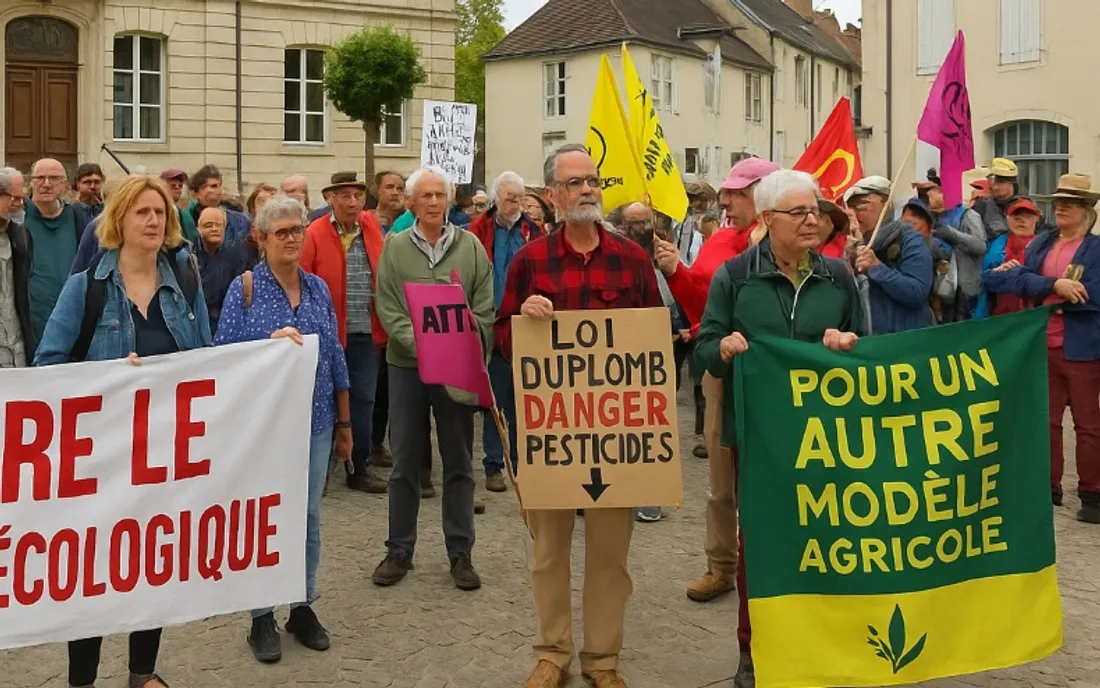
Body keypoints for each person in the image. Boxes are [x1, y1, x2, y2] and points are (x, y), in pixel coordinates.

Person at [494, 144, 662, 688]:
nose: (588, 189)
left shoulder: (632, 260)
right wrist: (523, 316)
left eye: (593, 180)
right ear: (553, 195)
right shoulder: (530, 262)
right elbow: (501, 338)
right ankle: (552, 652)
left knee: (611, 556)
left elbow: (655, 344)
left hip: (616, 438)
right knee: (548, 553)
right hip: (553, 438)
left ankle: (603, 659)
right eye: (575, 183)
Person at [34, 174, 212, 688]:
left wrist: (272, 347)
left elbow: (208, 360)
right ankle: (82, 680)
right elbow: (50, 364)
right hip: (100, 461)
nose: (154, 220)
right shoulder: (85, 287)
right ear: (119, 221)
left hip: (162, 458)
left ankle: (142, 673)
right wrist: (108, 378)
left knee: (150, 567)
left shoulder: (186, 283)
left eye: (161, 212)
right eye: (142, 212)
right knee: (94, 575)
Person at [693, 169, 865, 688]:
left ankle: (824, 643)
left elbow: (866, 346)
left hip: (826, 436)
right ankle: (753, 650)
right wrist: (722, 350)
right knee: (762, 544)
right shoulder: (736, 276)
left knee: (828, 540)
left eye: (815, 210)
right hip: (761, 436)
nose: (813, 219)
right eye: (799, 212)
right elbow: (703, 346)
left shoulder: (839, 278)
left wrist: (846, 343)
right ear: (767, 221)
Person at [213, 195, 352, 661]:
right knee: (264, 518)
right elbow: (223, 358)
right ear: (261, 239)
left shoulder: (316, 288)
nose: (293, 238)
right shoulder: (245, 289)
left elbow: (334, 355)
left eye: (298, 230)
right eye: (283, 232)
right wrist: (266, 346)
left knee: (307, 517)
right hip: (265, 428)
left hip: (315, 421)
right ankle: (260, 616)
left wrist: (345, 421)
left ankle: (302, 604)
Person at [652, 156, 781, 605]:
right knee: (721, 479)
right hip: (725, 372)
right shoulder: (722, 238)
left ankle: (778, 567)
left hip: (778, 378)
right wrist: (676, 273)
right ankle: (721, 566)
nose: (726, 200)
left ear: (765, 195)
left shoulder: (793, 240)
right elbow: (704, 303)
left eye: (738, 193)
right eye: (727, 192)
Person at [371, 166, 493, 591]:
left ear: (449, 198)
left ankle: (461, 552)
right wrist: (423, 345)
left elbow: (484, 305)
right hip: (407, 368)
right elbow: (387, 305)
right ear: (411, 203)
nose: (435, 203)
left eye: (440, 195)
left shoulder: (471, 247)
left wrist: (460, 343)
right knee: (404, 461)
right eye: (426, 196)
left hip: (457, 368)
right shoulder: (395, 248)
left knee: (459, 460)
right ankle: (399, 550)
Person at [982, 173, 1100, 524]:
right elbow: (1005, 280)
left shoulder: (1096, 250)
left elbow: (1091, 296)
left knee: (1088, 424)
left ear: (1086, 210)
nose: (1061, 207)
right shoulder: (1041, 244)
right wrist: (1055, 286)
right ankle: (1046, 488)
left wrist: (1043, 291)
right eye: (1058, 201)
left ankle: (1092, 493)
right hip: (1042, 343)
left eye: (1071, 202)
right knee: (1044, 422)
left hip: (1082, 346)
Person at [300, 171, 388, 494]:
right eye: (346, 196)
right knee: (323, 399)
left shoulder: (371, 229)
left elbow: (384, 270)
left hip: (366, 332)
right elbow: (305, 281)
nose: (353, 202)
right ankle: (322, 469)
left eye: (358, 196)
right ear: (330, 199)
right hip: (327, 334)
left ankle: (359, 467)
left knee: (364, 400)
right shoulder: (314, 232)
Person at [468, 171, 544, 493]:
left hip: (526, 323)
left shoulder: (534, 231)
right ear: (497, 198)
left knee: (525, 398)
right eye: (510, 197)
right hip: (491, 323)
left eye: (519, 197)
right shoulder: (478, 230)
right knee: (495, 399)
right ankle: (494, 464)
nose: (516, 203)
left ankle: (522, 460)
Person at [620, 201, 689, 524]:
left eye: (646, 221)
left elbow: (680, 295)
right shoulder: (615, 256)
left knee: (653, 422)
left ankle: (650, 494)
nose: (641, 229)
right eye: (634, 223)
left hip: (661, 349)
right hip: (620, 352)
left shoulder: (665, 253)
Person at [847, 175, 936, 334]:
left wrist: (876, 268)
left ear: (886, 205)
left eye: (862, 205)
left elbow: (916, 292)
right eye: (850, 207)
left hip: (903, 340)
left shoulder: (908, 238)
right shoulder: (850, 244)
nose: (855, 213)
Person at [24, 158, 86, 343]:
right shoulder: (18, 218)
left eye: (54, 178)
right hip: (29, 320)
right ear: (31, 182)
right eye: (40, 178)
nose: (46, 184)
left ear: (66, 185)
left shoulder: (77, 218)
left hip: (70, 317)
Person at [973, 198, 1043, 318]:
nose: (1021, 219)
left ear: (1036, 219)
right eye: (1016, 215)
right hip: (997, 317)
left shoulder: (1045, 247)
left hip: (1031, 319)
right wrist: (997, 272)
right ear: (1008, 219)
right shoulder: (994, 246)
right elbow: (982, 280)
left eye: (1027, 215)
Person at [195, 206, 247, 334]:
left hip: (226, 318)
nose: (214, 229)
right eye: (208, 225)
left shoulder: (235, 255)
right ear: (198, 229)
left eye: (219, 225)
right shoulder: (189, 256)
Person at [0, 168, 34, 366]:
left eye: (22, 199)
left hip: (15, 349)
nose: (19, 205)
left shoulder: (21, 236)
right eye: (14, 198)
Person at [188, 165, 251, 247]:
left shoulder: (240, 219)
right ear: (196, 193)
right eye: (213, 186)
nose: (219, 190)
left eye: (219, 185)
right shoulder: (188, 219)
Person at [973, 158, 1020, 240]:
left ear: (1012, 183)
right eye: (992, 181)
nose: (994, 187)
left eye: (1000, 182)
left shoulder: (1024, 207)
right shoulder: (982, 205)